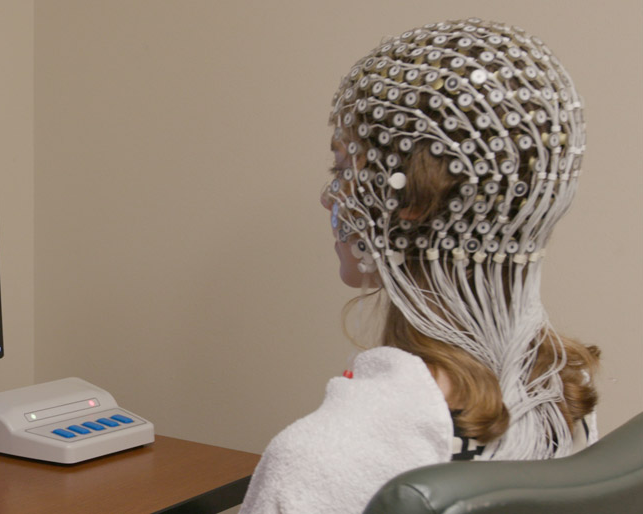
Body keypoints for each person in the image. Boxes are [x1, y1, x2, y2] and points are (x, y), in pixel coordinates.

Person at [239, 18, 599, 513]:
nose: (329, 199)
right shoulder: (562, 393)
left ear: (407, 201)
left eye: (343, 170)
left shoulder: (321, 458)